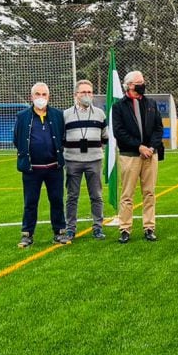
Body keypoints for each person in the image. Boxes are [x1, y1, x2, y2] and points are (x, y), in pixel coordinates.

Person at [12, 82, 69, 248]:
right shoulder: (22, 116)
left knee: (57, 200)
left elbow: (62, 137)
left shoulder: (58, 115)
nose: (41, 98)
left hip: (54, 168)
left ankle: (59, 232)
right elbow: (17, 140)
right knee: (30, 202)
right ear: (32, 97)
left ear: (49, 97)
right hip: (32, 169)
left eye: (44, 94)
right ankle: (27, 235)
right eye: (38, 94)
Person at [111, 70, 164, 243]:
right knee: (127, 194)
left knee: (149, 193)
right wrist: (138, 146)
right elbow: (119, 131)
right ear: (130, 85)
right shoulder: (118, 107)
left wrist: (151, 147)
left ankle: (149, 227)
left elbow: (158, 128)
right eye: (140, 82)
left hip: (150, 155)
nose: (143, 84)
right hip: (130, 156)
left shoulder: (151, 103)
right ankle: (125, 228)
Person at [62, 80, 109, 240]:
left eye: (89, 92)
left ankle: (97, 227)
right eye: (83, 92)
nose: (87, 95)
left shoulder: (100, 114)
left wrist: (95, 149)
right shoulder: (66, 115)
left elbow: (105, 137)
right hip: (72, 160)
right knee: (72, 196)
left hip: (94, 160)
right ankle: (70, 229)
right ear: (76, 95)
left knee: (96, 195)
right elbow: (61, 138)